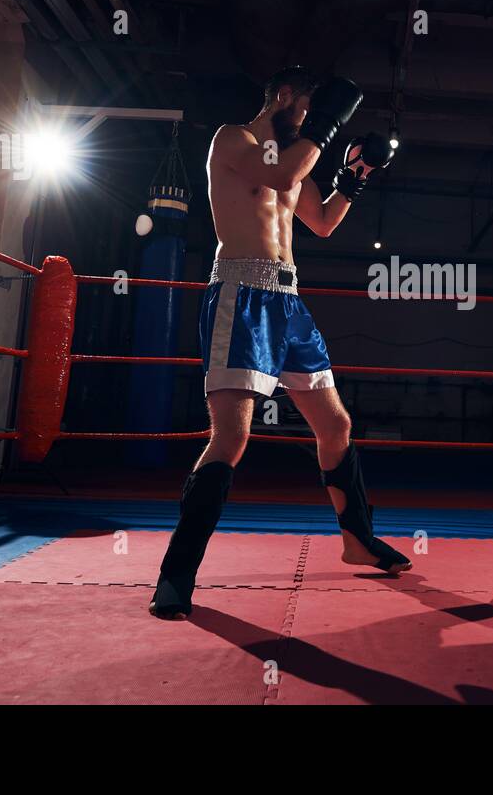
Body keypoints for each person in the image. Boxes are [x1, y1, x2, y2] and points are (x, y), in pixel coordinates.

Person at [150, 67, 411, 620]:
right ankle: (176, 574)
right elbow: (281, 173)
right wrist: (326, 127)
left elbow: (321, 222)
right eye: (312, 109)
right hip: (240, 295)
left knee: (335, 425)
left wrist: (353, 178)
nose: (316, 123)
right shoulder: (235, 139)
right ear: (286, 97)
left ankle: (356, 540)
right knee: (231, 438)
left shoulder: (296, 160)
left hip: (289, 304)